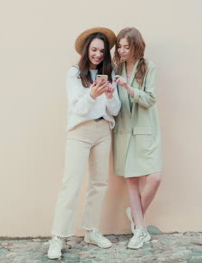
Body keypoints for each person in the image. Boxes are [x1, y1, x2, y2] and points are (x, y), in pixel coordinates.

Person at [47, 27, 120, 259]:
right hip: (79, 131)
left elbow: (116, 109)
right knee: (71, 184)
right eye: (94, 49)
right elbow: (77, 109)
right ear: (86, 49)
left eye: (101, 51)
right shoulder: (74, 73)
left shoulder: (108, 73)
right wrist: (92, 94)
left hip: (102, 131)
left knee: (99, 183)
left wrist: (109, 96)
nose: (98, 54)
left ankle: (91, 230)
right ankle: (58, 237)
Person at [112, 27, 162, 249]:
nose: (122, 51)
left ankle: (135, 213)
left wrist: (129, 88)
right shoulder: (115, 68)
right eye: (119, 46)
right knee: (131, 180)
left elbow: (150, 99)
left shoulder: (148, 67)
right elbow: (114, 103)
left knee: (154, 178)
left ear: (136, 46)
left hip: (145, 130)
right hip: (123, 131)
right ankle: (140, 230)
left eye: (126, 46)